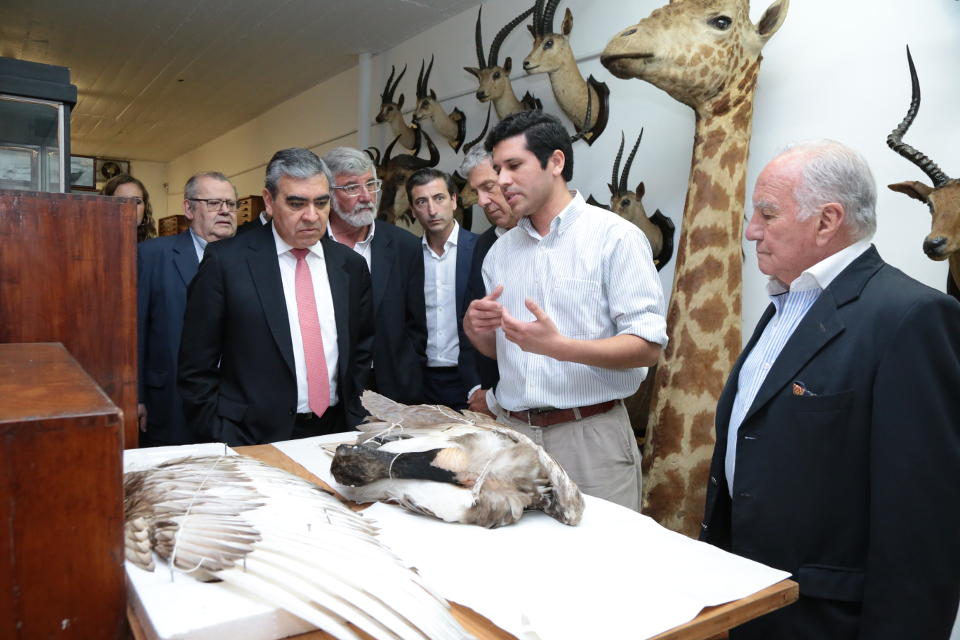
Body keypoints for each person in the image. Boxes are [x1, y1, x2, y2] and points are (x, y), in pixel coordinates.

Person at [700, 140, 960, 639]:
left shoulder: (911, 318)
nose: (751, 230)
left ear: (826, 221)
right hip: (754, 600)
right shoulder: (786, 302)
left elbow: (923, 525)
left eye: (767, 214)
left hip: (827, 619)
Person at [463, 110, 666, 510]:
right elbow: (500, 351)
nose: (502, 180)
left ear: (555, 162)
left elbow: (647, 347)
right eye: (499, 168)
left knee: (601, 565)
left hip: (590, 437)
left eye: (514, 166)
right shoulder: (500, 252)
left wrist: (559, 346)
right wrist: (476, 330)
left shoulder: (615, 238)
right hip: (514, 436)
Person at [178, 148, 373, 444]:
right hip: (252, 436)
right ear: (269, 201)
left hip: (338, 430)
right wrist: (221, 434)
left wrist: (356, 414)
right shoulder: (227, 262)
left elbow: (360, 351)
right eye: (296, 203)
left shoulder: (351, 266)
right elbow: (196, 366)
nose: (311, 216)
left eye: (321, 203)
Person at [136, 171, 238, 446]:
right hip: (171, 399)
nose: (225, 211)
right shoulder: (153, 255)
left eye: (231, 204)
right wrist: (136, 396)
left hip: (234, 406)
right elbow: (136, 330)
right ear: (188, 209)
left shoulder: (250, 258)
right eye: (214, 203)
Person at [321, 147, 427, 405]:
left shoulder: (405, 246)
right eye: (352, 188)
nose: (367, 196)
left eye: (371, 184)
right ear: (329, 194)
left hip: (391, 388)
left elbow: (416, 325)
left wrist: (408, 370)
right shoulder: (311, 246)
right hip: (328, 390)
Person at [406, 167, 478, 410]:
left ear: (454, 201)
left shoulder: (481, 250)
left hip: (471, 380)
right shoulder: (406, 257)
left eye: (439, 198)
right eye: (421, 202)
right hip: (421, 381)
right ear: (413, 210)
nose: (432, 210)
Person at [458, 145, 521, 417]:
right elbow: (470, 322)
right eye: (476, 192)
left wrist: (495, 398)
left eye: (489, 187)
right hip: (492, 404)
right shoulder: (483, 246)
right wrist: (477, 390)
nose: (482, 201)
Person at [102, 173, 156, 242]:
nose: (130, 207)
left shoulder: (154, 247)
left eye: (137, 201)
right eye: (121, 201)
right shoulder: (89, 245)